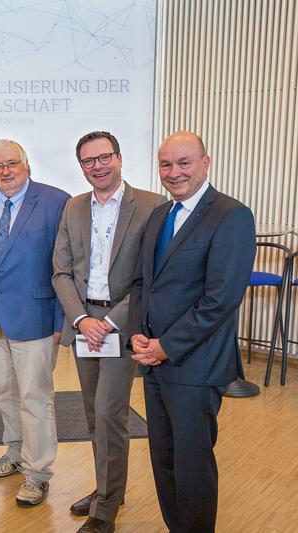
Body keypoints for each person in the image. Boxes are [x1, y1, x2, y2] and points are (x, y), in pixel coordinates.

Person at [128, 131, 256, 533]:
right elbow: (141, 284)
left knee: (192, 464)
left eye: (184, 163)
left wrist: (167, 345)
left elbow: (221, 298)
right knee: (163, 460)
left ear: (206, 162)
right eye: (166, 164)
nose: (174, 172)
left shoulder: (231, 215)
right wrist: (137, 334)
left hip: (195, 365)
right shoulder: (159, 214)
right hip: (153, 361)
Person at [52, 131, 165, 533]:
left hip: (122, 325)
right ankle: (107, 488)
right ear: (81, 166)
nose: (97, 167)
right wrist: (82, 320)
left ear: (119, 158)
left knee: (109, 415)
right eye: (88, 161)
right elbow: (61, 271)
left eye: (104, 158)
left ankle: (107, 507)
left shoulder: (152, 206)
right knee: (91, 416)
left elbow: (149, 279)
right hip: (85, 324)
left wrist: (109, 321)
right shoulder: (74, 207)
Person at [0, 139, 69, 507]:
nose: (5, 171)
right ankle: (15, 450)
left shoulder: (56, 202)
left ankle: (38, 472)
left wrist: (63, 318)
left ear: (27, 164)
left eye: (12, 163)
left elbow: (65, 267)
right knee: (5, 393)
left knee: (35, 398)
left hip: (37, 318)